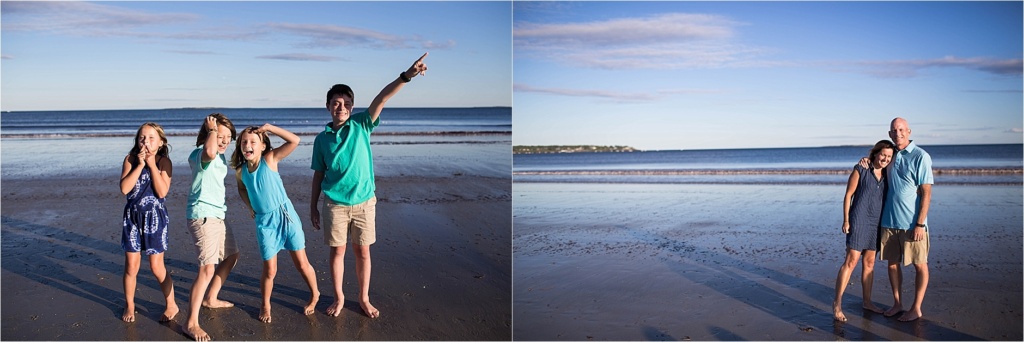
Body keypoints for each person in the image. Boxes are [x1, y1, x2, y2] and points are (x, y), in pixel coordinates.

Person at [310, 52, 429, 318]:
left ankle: (363, 298)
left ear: (352, 107)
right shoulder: (321, 140)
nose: (341, 107)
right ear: (328, 105)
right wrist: (313, 208)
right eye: (336, 103)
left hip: (364, 202)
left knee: (362, 251)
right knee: (337, 251)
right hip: (334, 204)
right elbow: (318, 175)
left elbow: (383, 97)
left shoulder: (362, 124)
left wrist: (407, 75)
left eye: (347, 103)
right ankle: (339, 297)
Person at [233, 124, 320, 323]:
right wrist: (250, 207)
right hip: (265, 223)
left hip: (286, 216)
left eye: (253, 142)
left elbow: (294, 141)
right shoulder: (241, 171)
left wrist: (270, 128)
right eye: (244, 142)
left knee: (301, 263)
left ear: (263, 146)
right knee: (270, 269)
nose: (248, 145)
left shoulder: (270, 160)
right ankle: (265, 304)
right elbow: (242, 189)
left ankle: (315, 293)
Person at [184, 114, 239, 341]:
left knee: (231, 256)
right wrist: (211, 131)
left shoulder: (221, 159)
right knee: (206, 269)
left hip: (218, 215)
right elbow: (208, 152)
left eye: (228, 137)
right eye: (220, 135)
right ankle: (191, 323)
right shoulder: (201, 155)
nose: (224, 140)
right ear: (209, 135)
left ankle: (211, 298)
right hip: (203, 215)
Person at [118, 122, 178, 323]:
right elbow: (125, 189)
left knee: (156, 266)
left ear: (160, 142)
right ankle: (130, 305)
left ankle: (171, 304)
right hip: (133, 219)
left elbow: (162, 192)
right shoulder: (130, 160)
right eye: (142, 138)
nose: (146, 142)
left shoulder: (164, 163)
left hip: (155, 218)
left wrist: (151, 165)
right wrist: (141, 165)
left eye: (151, 138)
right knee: (131, 267)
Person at [878, 117, 933, 322]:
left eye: (901, 129)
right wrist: (865, 161)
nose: (898, 133)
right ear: (890, 133)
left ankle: (916, 308)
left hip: (912, 225)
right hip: (889, 221)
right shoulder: (891, 154)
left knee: (920, 265)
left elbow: (926, 193)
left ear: (908, 131)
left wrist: (920, 223)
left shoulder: (921, 156)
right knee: (892, 264)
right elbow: (877, 162)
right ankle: (897, 304)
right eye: (894, 130)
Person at [833, 140, 895, 322]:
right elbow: (848, 195)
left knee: (869, 263)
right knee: (851, 261)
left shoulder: (888, 174)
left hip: (877, 223)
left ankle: (867, 301)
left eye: (889, 156)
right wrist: (846, 220)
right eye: (883, 154)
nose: (885, 159)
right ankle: (837, 304)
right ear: (875, 153)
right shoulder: (861, 169)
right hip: (858, 220)